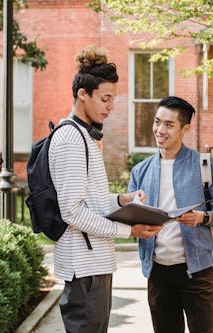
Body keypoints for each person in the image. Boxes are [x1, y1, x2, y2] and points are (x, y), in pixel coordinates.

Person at [48, 45, 162, 333]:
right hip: (83, 266)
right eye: (105, 98)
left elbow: (90, 201)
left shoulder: (83, 136)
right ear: (82, 94)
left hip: (94, 262)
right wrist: (129, 231)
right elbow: (72, 212)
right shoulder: (71, 140)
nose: (111, 106)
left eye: (113, 98)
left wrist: (122, 200)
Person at [128, 96, 213, 333]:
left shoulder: (203, 166)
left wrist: (201, 217)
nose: (159, 130)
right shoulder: (140, 171)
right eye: (157, 122)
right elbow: (131, 218)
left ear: (185, 129)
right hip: (158, 274)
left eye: (169, 124)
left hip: (196, 273)